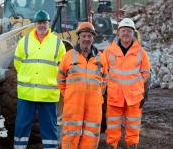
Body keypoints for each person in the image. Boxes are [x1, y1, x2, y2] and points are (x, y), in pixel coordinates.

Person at [13, 10, 66, 149]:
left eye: (44, 22)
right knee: (21, 126)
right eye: (39, 22)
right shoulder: (23, 42)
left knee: (49, 127)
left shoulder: (57, 43)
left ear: (48, 24)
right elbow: (18, 63)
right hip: (27, 93)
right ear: (34, 24)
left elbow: (63, 68)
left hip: (48, 95)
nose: (42, 25)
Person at [57, 22, 108, 149]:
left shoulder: (101, 58)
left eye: (89, 36)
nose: (86, 39)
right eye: (84, 36)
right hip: (73, 105)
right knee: (70, 135)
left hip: (94, 106)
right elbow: (60, 79)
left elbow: (105, 80)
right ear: (79, 37)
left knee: (91, 136)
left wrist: (95, 94)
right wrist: (69, 94)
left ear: (93, 38)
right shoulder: (68, 56)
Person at [103, 18, 151, 149]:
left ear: (133, 33)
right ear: (118, 32)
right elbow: (103, 71)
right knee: (112, 127)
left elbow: (146, 73)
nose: (126, 34)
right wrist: (106, 90)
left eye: (129, 31)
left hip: (134, 98)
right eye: (123, 31)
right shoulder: (108, 51)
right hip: (114, 97)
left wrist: (138, 88)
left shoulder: (141, 52)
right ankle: (111, 146)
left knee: (133, 127)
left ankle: (132, 146)